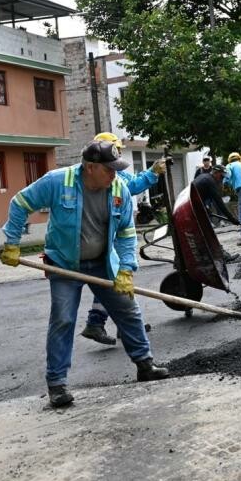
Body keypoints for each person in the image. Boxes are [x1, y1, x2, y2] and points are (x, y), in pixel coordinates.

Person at [0, 140, 169, 408]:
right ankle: (57, 385)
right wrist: (12, 242)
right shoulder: (58, 181)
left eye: (116, 169)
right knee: (63, 319)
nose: (114, 174)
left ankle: (145, 365)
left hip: (103, 263)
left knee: (128, 309)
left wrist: (126, 268)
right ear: (90, 167)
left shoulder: (118, 189)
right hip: (64, 264)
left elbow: (126, 232)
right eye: (109, 169)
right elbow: (20, 202)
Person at [81, 132, 166, 346]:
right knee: (113, 280)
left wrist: (152, 173)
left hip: (116, 231)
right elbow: (130, 186)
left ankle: (119, 324)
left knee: (118, 280)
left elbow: (132, 183)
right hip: (107, 235)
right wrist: (152, 173)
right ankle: (99, 323)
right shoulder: (98, 173)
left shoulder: (113, 172)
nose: (118, 154)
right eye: (116, 149)